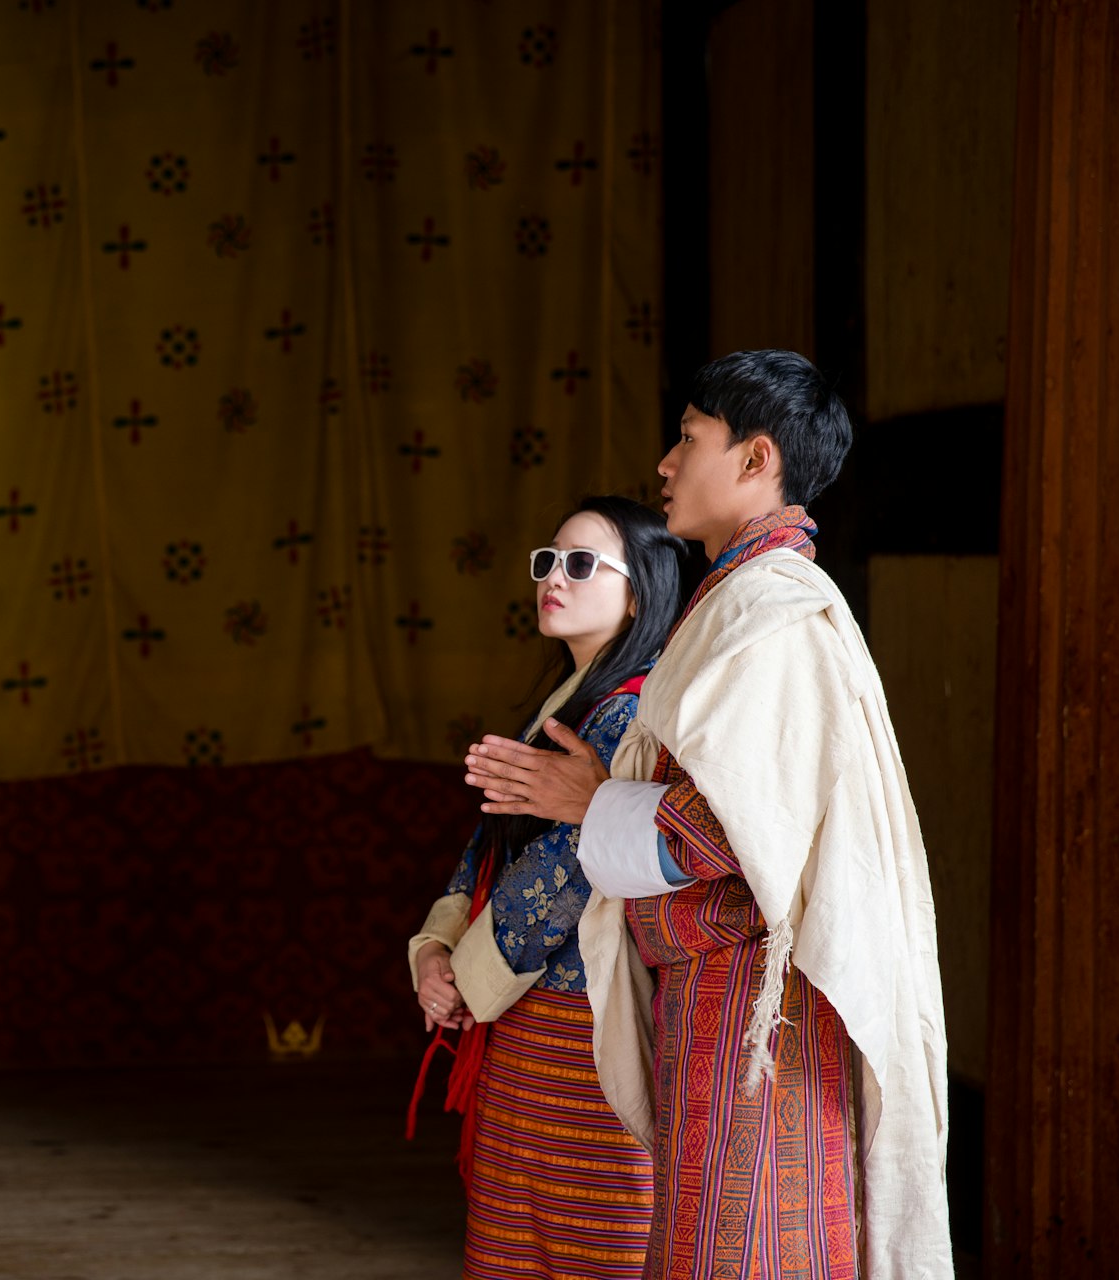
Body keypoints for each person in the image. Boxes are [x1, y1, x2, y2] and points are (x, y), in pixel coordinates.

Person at [464, 350, 952, 1279]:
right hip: (717, 998)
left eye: (689, 439)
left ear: (755, 458)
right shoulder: (735, 596)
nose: (666, 463)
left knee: (747, 1246)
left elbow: (731, 827)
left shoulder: (773, 609)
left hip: (756, 1012)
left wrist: (586, 800)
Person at [407, 494, 684, 1280]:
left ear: (640, 593)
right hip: (525, 1020)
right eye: (548, 561)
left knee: (594, 1242)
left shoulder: (635, 714)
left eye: (581, 563)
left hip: (587, 1023)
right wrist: (434, 952)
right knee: (517, 1241)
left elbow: (566, 869)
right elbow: (488, 845)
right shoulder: (568, 703)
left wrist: (463, 979)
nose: (553, 578)